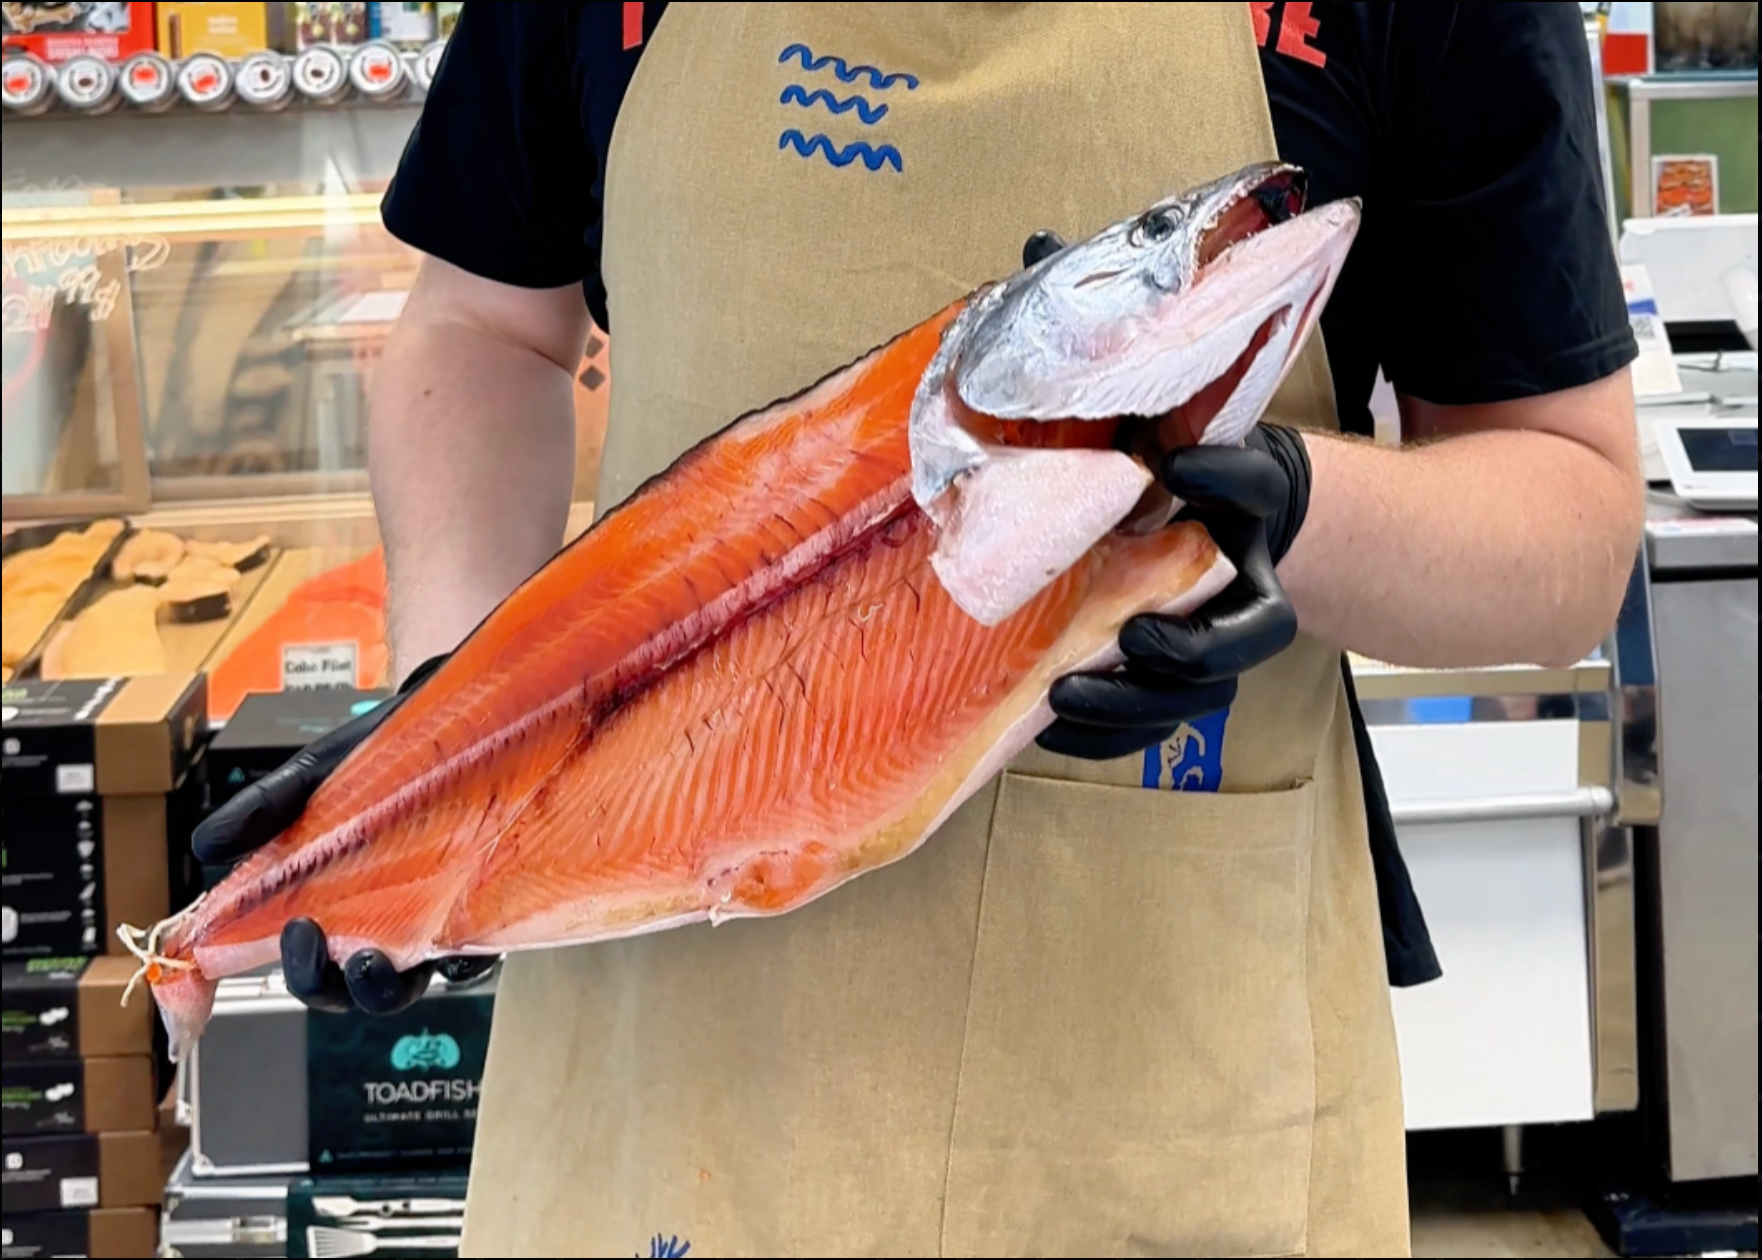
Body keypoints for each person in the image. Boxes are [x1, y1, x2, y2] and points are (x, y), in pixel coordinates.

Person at [193, 4, 1642, 1256]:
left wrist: (1286, 510)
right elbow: (482, 327)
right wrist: (465, 708)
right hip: (659, 1073)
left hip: (1162, 1077)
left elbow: (1566, 529)